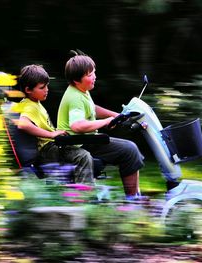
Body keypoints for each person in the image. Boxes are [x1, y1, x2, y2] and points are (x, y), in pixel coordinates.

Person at [57, 52, 146, 200]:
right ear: (76, 80)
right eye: (90, 74)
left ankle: (135, 197)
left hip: (87, 140)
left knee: (131, 150)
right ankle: (133, 202)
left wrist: (115, 115)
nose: (94, 77)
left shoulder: (81, 91)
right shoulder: (75, 97)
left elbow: (92, 108)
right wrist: (106, 122)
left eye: (94, 72)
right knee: (129, 150)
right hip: (77, 145)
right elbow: (77, 126)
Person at [14, 64, 95, 184]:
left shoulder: (35, 103)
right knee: (83, 157)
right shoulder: (29, 105)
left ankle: (76, 191)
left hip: (52, 147)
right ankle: (85, 196)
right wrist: (51, 134)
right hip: (48, 150)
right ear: (28, 90)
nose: (46, 89)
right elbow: (23, 124)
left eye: (47, 85)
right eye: (42, 87)